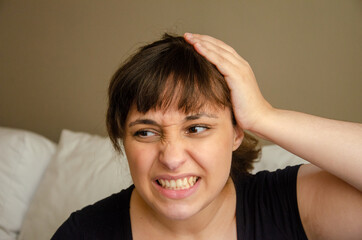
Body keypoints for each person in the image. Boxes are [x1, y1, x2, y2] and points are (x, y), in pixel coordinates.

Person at [52, 33, 362, 239]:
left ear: (237, 131)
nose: (172, 158)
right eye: (146, 132)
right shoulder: (83, 233)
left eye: (196, 128)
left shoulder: (290, 204)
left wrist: (265, 116)